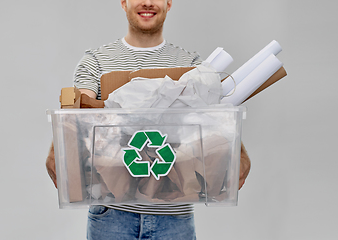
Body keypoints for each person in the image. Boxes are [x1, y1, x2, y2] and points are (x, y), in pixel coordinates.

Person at [46, 0, 251, 239]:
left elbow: (212, 119)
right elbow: (78, 113)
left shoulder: (192, 66)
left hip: (175, 214)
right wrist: (58, 151)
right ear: (123, 2)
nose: (147, 2)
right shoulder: (96, 61)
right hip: (112, 214)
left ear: (169, 3)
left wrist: (238, 152)